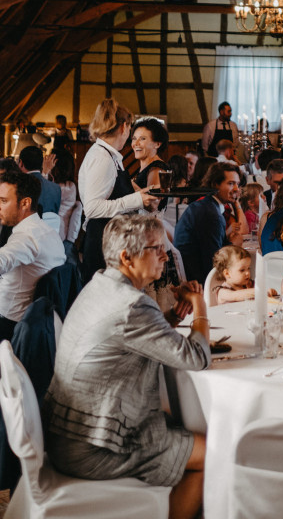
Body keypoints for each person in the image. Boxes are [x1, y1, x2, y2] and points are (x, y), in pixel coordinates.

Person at [43, 215, 209, 519]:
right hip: (93, 447)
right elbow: (196, 358)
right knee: (212, 454)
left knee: (179, 423)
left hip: (66, 433)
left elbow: (125, 340)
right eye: (155, 248)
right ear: (126, 258)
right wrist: (200, 305)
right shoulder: (133, 305)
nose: (164, 255)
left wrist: (170, 317)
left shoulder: (102, 283)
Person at [78, 99, 155, 282]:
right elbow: (93, 208)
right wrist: (136, 200)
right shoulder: (102, 158)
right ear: (123, 127)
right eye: (129, 130)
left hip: (112, 240)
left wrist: (141, 195)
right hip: (102, 242)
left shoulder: (110, 156)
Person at [0, 169, 66, 340]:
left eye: (3, 201)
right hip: (39, 321)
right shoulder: (46, 231)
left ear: (25, 203)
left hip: (10, 325)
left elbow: (3, 259)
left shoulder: (26, 238)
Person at [173, 162, 242, 284]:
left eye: (237, 184)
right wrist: (232, 245)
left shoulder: (207, 205)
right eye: (231, 184)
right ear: (215, 184)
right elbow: (213, 262)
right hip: (198, 282)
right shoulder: (210, 214)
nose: (236, 189)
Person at [50, 150, 82, 256]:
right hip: (61, 233)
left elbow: (42, 196)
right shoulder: (71, 186)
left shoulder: (65, 188)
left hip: (55, 234)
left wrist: (45, 172)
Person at [17, 145, 61, 215]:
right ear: (41, 163)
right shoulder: (56, 188)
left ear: (21, 163)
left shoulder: (18, 185)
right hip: (50, 225)